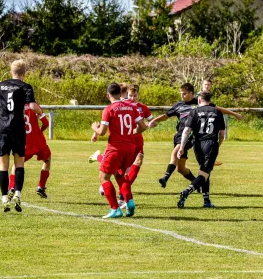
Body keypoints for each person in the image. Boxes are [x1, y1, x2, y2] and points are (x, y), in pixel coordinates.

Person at [148, 82, 241, 189]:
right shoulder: (178, 105)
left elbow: (218, 109)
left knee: (175, 153)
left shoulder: (200, 102)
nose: (182, 95)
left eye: (184, 93)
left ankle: (165, 178)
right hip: (179, 135)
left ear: (192, 93)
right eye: (181, 93)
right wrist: (154, 121)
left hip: (190, 135)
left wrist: (234, 114)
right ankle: (196, 183)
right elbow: (166, 116)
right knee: (181, 169)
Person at [0, 60, 42, 212]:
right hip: (17, 128)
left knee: (3, 165)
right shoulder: (25, 87)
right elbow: (31, 106)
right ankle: (17, 193)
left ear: (11, 72)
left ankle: (4, 198)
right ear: (24, 73)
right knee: (19, 163)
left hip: (2, 128)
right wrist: (40, 113)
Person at [91, 83, 146, 218]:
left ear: (108, 95)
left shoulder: (109, 109)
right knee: (120, 175)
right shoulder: (132, 107)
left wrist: (95, 128)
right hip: (130, 148)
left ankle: (115, 208)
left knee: (103, 177)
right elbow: (143, 126)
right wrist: (132, 132)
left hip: (115, 148)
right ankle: (130, 202)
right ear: (123, 94)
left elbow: (102, 132)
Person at [177, 91, 226, 208]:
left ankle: (206, 200)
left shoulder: (194, 111)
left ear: (199, 100)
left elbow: (186, 131)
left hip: (197, 144)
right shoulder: (217, 112)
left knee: (204, 171)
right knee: (204, 173)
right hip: (211, 143)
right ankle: (186, 192)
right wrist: (217, 145)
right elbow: (222, 133)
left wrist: (182, 147)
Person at [8, 102, 51, 199]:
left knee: (17, 165)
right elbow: (46, 123)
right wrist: (39, 131)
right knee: (47, 160)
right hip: (38, 142)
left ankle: (11, 187)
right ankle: (41, 186)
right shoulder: (33, 105)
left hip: (24, 143)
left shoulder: (14, 105)